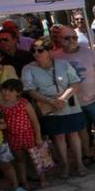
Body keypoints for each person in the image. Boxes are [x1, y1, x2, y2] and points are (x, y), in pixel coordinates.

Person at [52, 26, 95, 166]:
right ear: (59, 39)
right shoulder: (55, 56)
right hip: (73, 102)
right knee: (81, 129)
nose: (72, 40)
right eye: (67, 38)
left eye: (74, 37)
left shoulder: (90, 53)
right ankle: (88, 154)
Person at [21, 39, 86, 178]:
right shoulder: (28, 68)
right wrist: (51, 101)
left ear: (50, 51)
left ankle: (80, 163)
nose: (36, 53)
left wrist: (62, 99)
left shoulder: (63, 64)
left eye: (40, 50)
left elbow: (75, 83)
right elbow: (30, 90)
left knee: (74, 133)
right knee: (59, 136)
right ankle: (65, 166)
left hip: (68, 102)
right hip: (47, 105)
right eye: (33, 51)